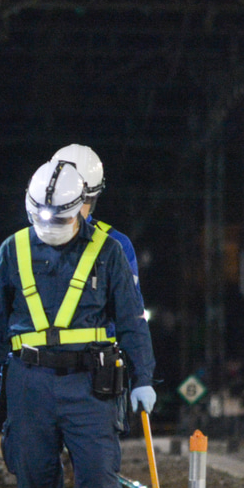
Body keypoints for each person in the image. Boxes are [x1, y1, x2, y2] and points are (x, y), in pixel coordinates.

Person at [0, 159, 155, 488]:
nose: (51, 225)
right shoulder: (12, 251)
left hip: (90, 384)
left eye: (61, 217)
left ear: (83, 210)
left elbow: (133, 321)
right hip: (29, 380)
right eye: (44, 216)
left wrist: (143, 377)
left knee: (96, 476)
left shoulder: (107, 252)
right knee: (35, 477)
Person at [50, 143, 144, 432]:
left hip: (94, 375)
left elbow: (131, 315)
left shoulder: (114, 246)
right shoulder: (24, 247)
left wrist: (142, 377)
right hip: (44, 371)